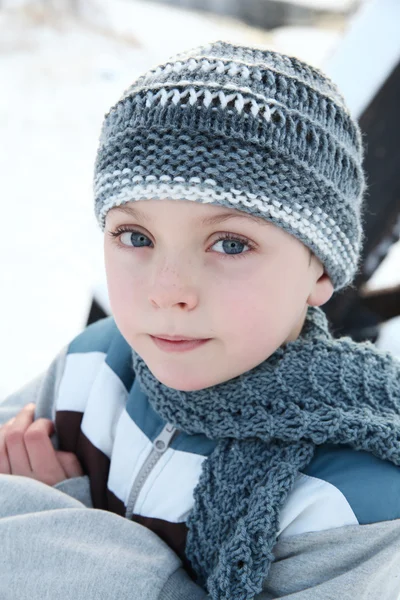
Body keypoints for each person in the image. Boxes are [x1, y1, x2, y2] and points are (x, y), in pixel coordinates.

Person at [1, 40, 400, 600]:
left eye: (231, 243)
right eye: (135, 236)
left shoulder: (350, 501)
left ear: (319, 271)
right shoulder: (93, 366)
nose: (168, 293)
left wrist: (57, 528)